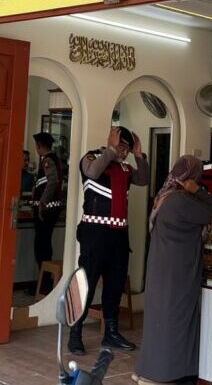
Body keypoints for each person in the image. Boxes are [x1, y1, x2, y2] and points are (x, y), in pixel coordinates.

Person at [134, 155, 212, 385]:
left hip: (161, 268)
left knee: (159, 323)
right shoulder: (181, 201)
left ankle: (150, 368)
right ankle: (170, 372)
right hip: (178, 272)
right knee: (176, 321)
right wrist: (199, 191)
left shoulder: (164, 196)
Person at [70, 126, 149, 354]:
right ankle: (75, 334)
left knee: (115, 285)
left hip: (119, 236)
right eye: (121, 147)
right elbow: (92, 173)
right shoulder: (92, 158)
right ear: (111, 141)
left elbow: (143, 179)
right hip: (95, 234)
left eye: (127, 149)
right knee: (87, 283)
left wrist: (138, 155)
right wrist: (112, 150)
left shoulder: (125, 168)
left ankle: (111, 333)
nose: (124, 153)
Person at [32, 132, 64, 294]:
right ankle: (43, 282)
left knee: (41, 247)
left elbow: (52, 182)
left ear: (39, 145)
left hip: (47, 210)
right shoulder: (53, 159)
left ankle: (43, 284)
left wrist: (42, 202)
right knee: (43, 246)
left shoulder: (48, 161)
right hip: (50, 209)